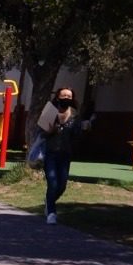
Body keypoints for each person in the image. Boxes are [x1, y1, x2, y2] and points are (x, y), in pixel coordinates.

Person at [37, 86, 94, 225]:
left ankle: (49, 201)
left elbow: (77, 135)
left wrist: (85, 127)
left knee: (62, 185)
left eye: (69, 96)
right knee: (52, 182)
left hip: (65, 155)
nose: (67, 99)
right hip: (50, 153)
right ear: (57, 97)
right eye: (64, 96)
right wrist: (50, 131)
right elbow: (40, 132)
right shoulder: (50, 112)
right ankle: (51, 213)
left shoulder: (75, 115)